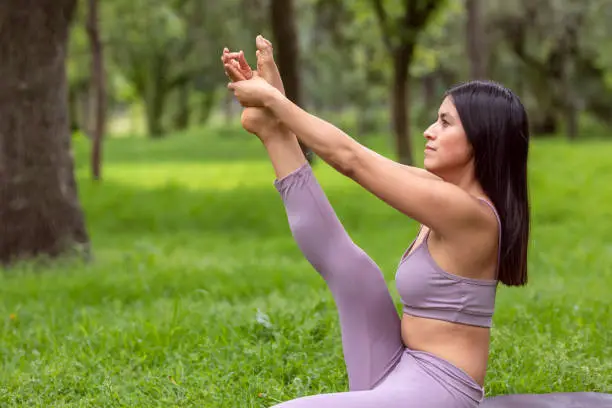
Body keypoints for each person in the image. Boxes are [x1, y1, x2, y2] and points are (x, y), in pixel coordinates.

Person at [221, 35, 530, 408]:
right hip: (398, 365)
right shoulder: (443, 193)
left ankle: (274, 126)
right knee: (350, 266)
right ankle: (272, 134)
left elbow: (351, 159)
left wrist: (275, 100)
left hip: (439, 390)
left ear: (482, 139)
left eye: (445, 123)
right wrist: (277, 115)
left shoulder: (469, 214)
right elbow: (348, 180)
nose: (429, 131)